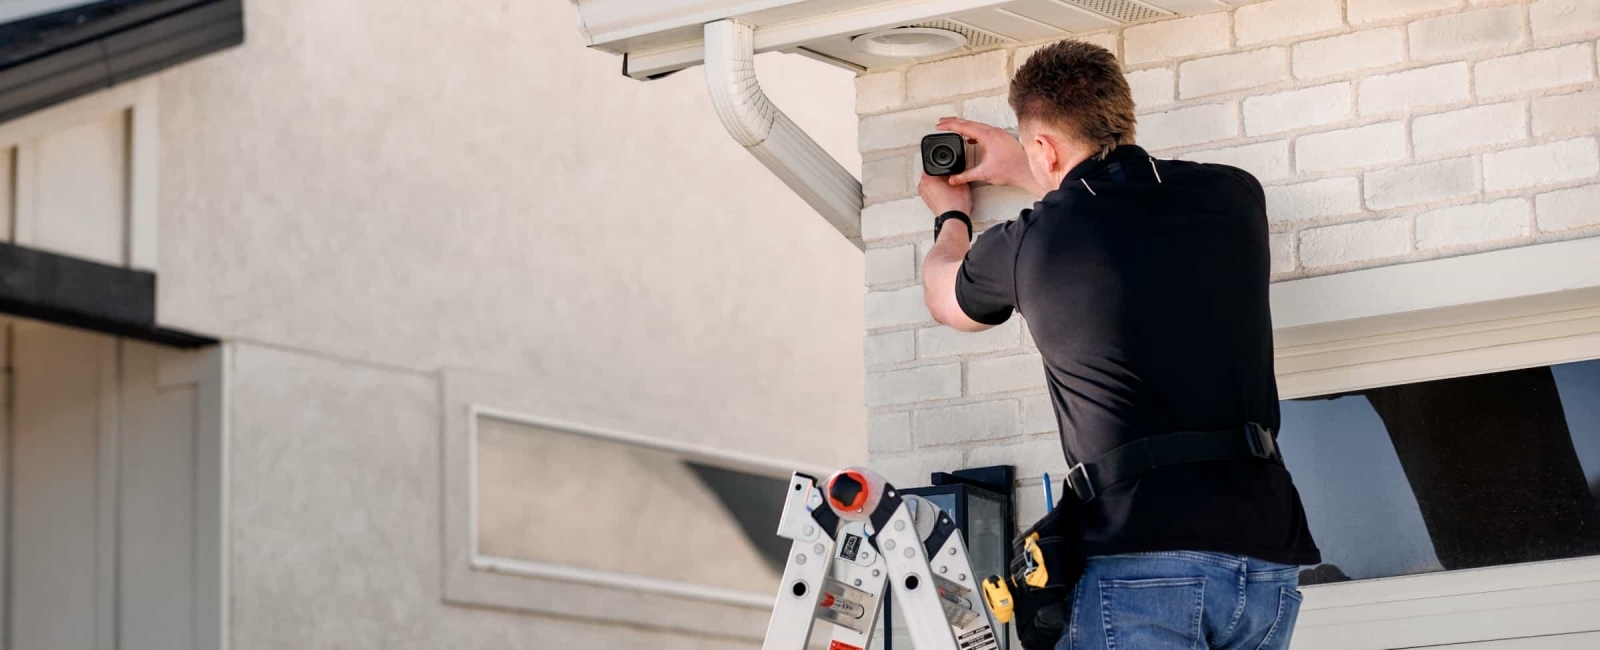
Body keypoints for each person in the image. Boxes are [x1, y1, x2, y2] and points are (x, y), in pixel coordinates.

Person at [916, 41, 1321, 650]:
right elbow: (1120, 194)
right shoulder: (1235, 197)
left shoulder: (1033, 241)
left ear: (1045, 147)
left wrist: (950, 217)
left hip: (1141, 556)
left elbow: (944, 298)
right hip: (1262, 558)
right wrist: (1029, 162)